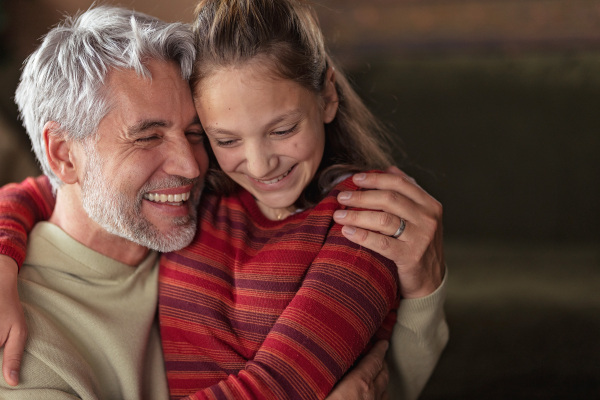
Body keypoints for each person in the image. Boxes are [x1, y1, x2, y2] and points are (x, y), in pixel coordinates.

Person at [0, 2, 448, 400]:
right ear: (63, 155)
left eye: (197, 134)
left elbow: (367, 372)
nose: (192, 166)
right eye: (148, 136)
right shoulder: (19, 348)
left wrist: (424, 292)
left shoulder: (183, 220)